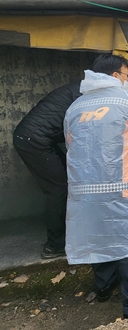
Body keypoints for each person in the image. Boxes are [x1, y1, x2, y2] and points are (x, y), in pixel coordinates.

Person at [64, 54, 128, 319]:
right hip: (117, 186)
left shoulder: (76, 106)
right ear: (115, 76)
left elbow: (70, 143)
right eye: (127, 74)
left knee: (97, 235)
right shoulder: (126, 100)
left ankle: (104, 287)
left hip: (82, 188)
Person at [13, 82, 82, 259]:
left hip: (36, 138)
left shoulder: (78, 88)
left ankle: (69, 232)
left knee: (65, 181)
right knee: (57, 189)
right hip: (34, 141)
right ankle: (54, 245)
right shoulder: (85, 96)